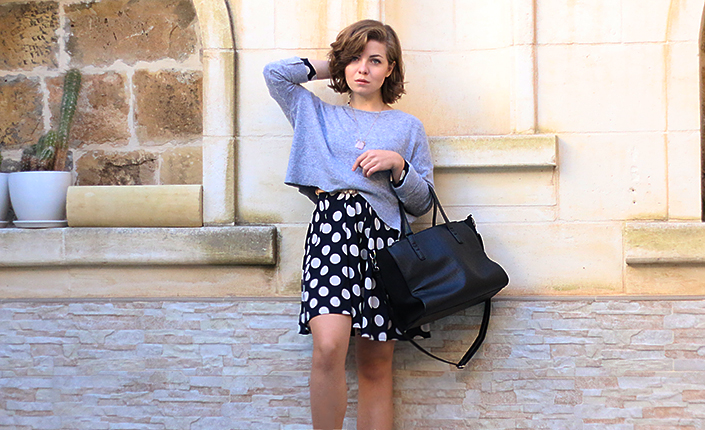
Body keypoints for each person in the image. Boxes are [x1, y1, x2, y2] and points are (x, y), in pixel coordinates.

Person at [263, 19, 434, 430]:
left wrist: (399, 166)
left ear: (390, 69)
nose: (363, 68)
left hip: (383, 241)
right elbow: (275, 74)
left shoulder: (407, 127)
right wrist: (338, 62)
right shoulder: (316, 113)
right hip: (332, 232)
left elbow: (422, 204)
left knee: (375, 364)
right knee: (328, 347)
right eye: (356, 59)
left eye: (375, 60)